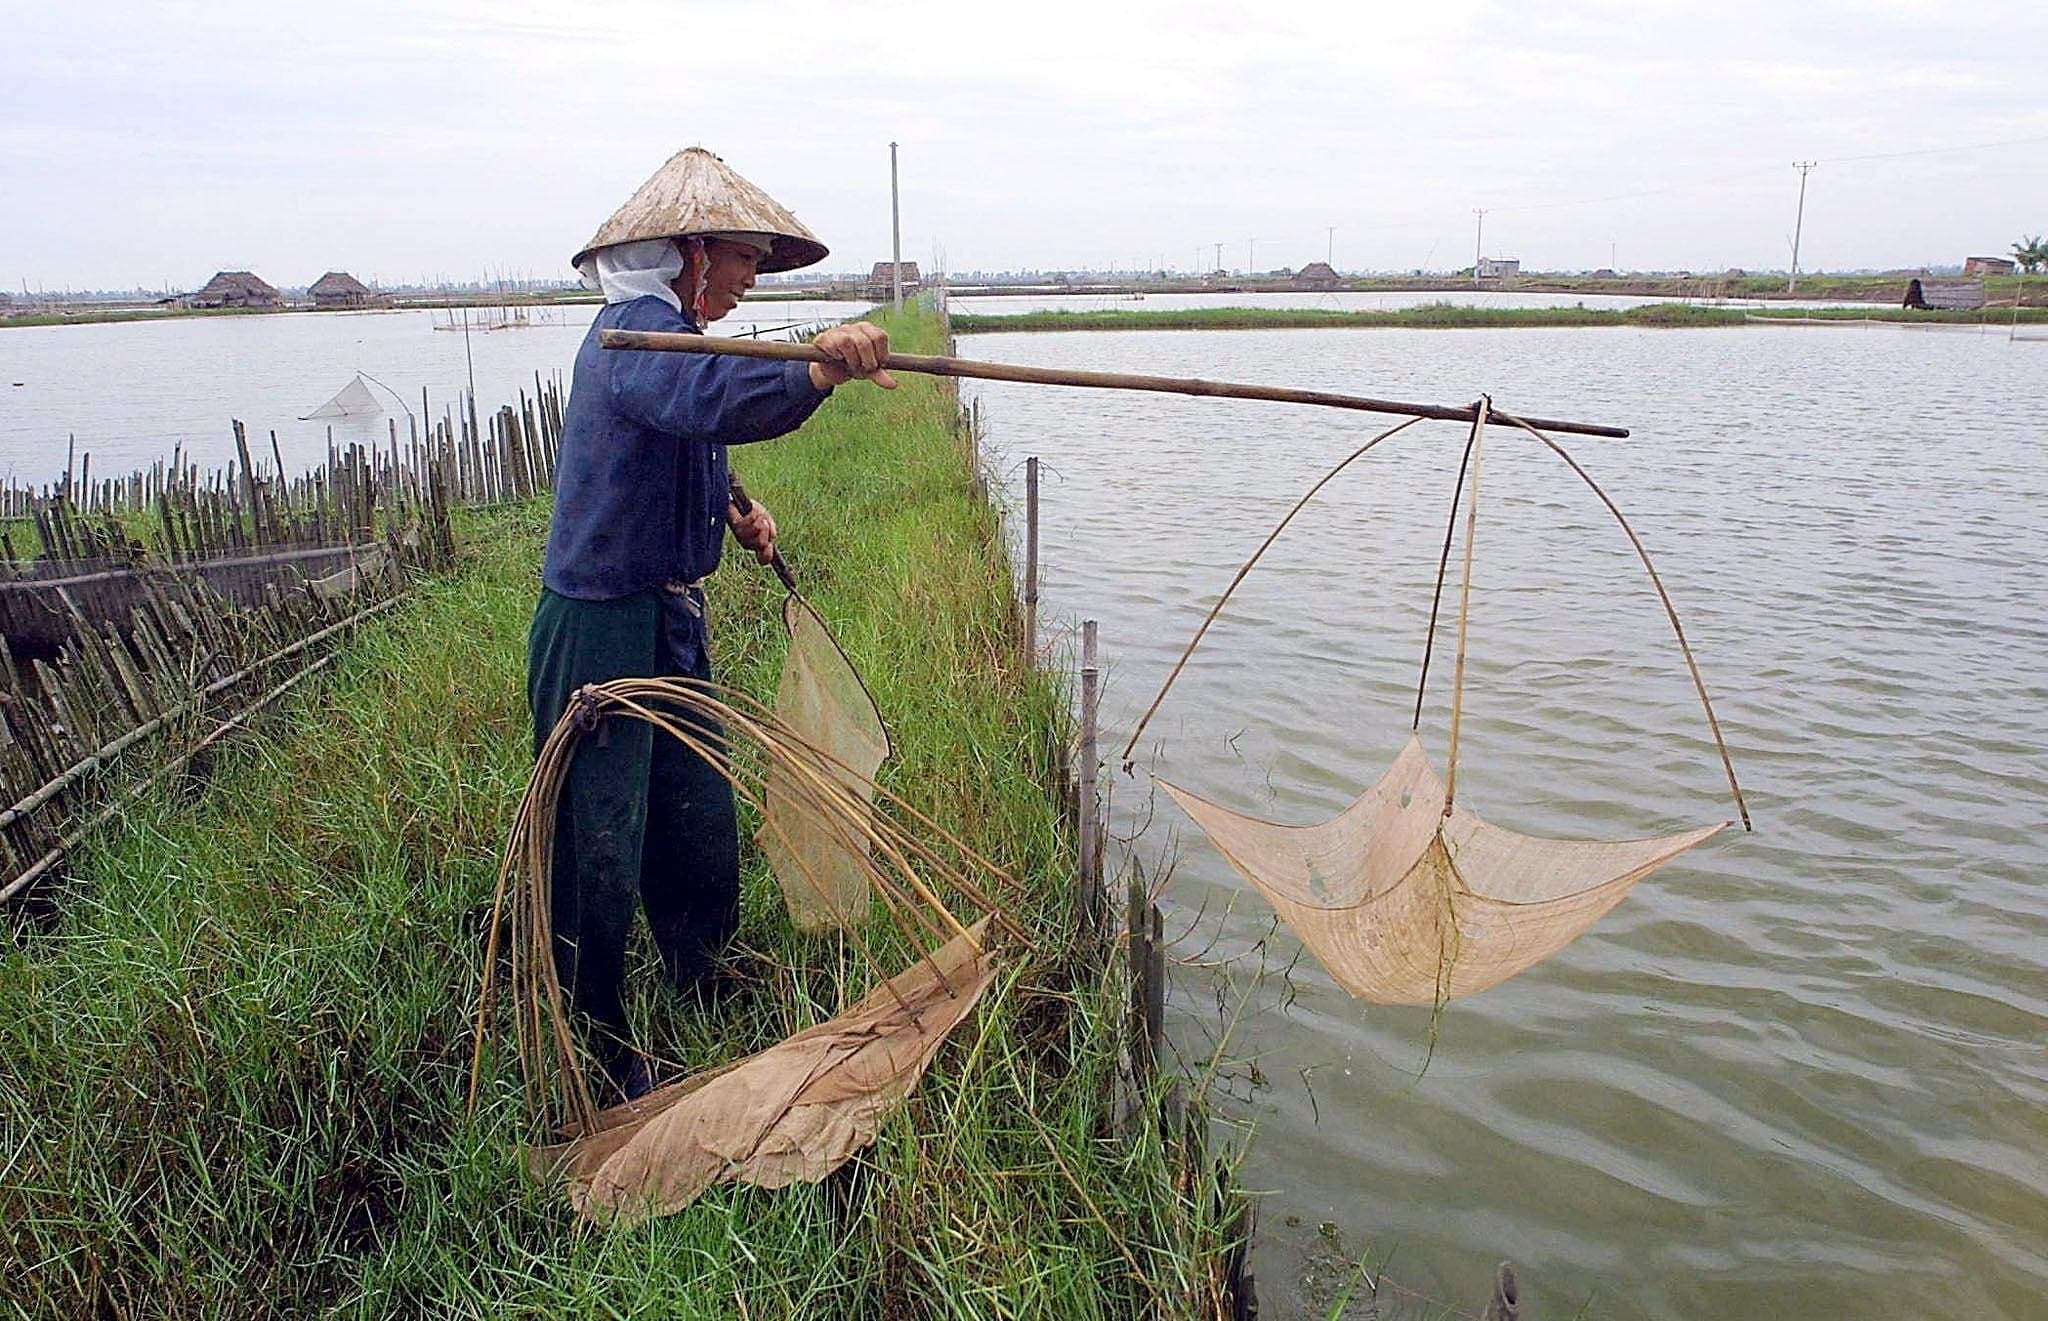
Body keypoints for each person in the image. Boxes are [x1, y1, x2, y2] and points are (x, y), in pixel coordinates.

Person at [528, 147, 894, 1100]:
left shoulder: (672, 333)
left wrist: (731, 502)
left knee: (696, 810)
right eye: (741, 257)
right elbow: (703, 395)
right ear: (692, 250)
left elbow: (692, 429)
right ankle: (595, 1048)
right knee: (598, 839)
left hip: (671, 618)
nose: (747, 277)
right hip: (602, 629)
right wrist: (814, 369)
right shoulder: (632, 335)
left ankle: (702, 973)